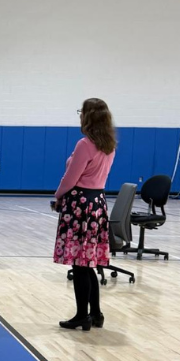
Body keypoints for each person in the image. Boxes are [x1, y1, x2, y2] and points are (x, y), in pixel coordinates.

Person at [53, 98, 116, 331]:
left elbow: (71, 178)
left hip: (80, 204)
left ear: (87, 116)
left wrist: (58, 195)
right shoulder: (109, 145)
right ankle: (96, 314)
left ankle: (82, 316)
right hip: (98, 202)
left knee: (80, 264)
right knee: (88, 262)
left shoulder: (85, 144)